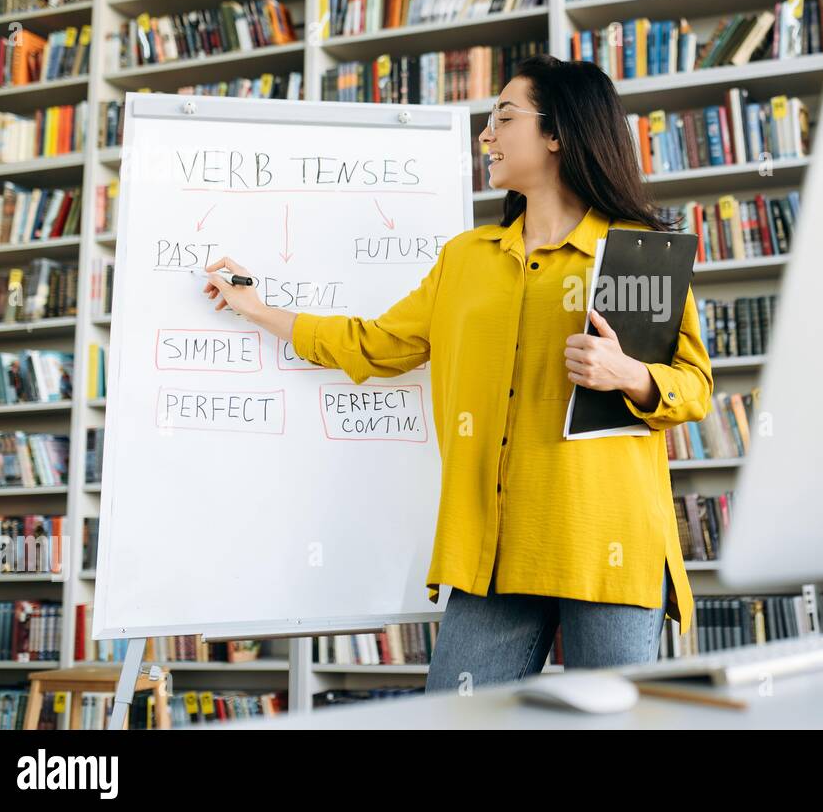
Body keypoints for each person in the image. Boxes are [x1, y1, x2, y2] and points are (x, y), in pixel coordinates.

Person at [201, 54, 713, 693]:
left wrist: (631, 376)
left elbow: (695, 387)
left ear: (557, 133)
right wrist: (256, 308)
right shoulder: (466, 260)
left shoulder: (637, 251)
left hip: (608, 543)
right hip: (491, 552)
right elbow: (375, 344)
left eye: (504, 117)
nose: (486, 134)